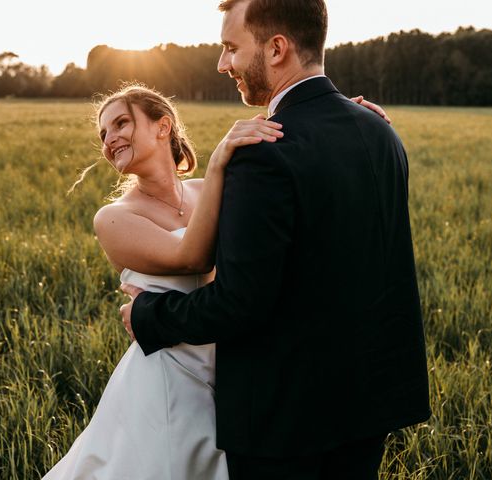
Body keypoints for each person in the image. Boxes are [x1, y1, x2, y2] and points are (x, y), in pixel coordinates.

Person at [120, 1, 431, 479]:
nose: (223, 64)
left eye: (230, 48)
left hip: (286, 424)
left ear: (278, 48)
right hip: (371, 405)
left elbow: (240, 302)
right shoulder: (381, 131)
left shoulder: (263, 152)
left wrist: (149, 315)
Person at [42, 81, 388, 478]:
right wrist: (220, 158)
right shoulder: (114, 217)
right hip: (168, 377)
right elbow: (191, 257)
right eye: (103, 134)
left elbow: (285, 204)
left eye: (121, 123)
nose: (110, 139)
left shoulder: (205, 190)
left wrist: (341, 117)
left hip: (232, 365)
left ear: (162, 126)